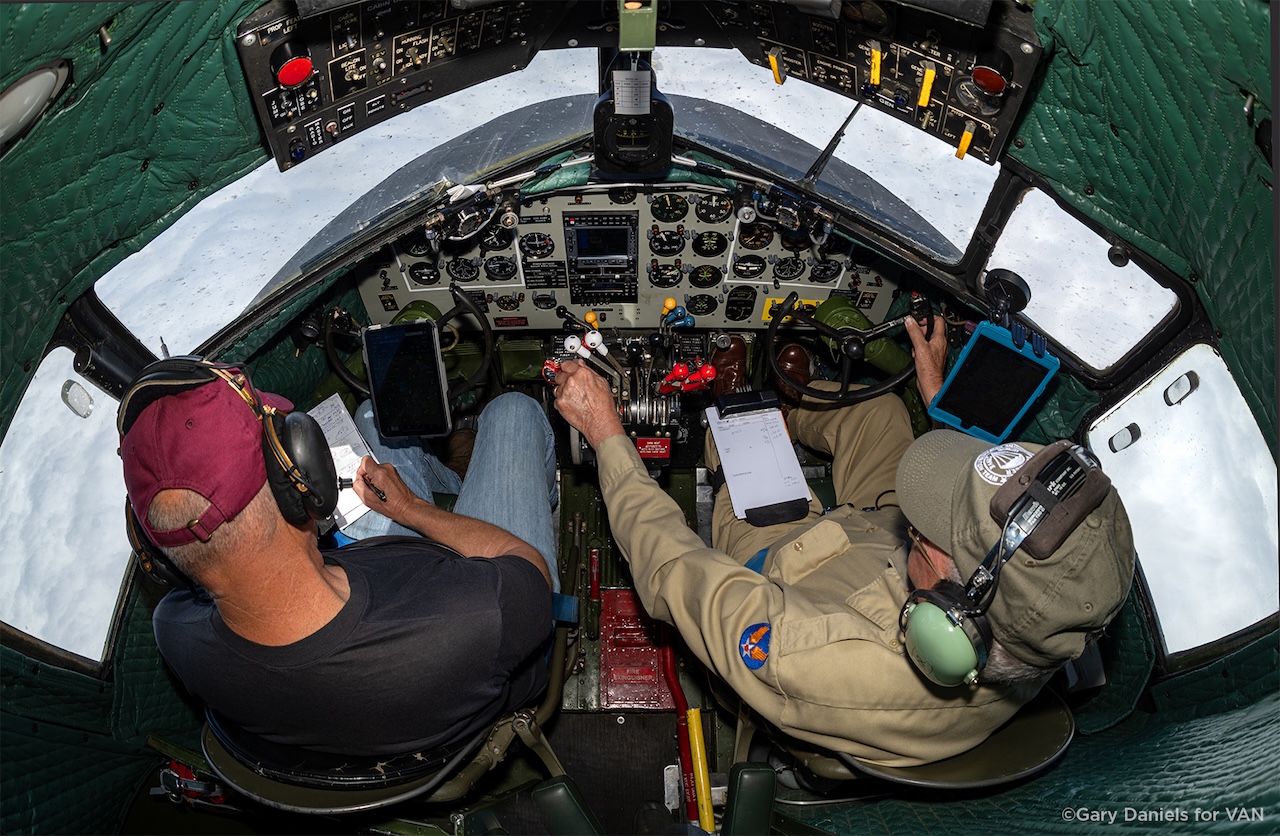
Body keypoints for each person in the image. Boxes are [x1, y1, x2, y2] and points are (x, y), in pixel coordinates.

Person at [552, 317, 1135, 767]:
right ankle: (787, 400)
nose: (916, 522)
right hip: (874, 548)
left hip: (796, 557)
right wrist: (944, 408)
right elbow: (998, 539)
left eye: (927, 530)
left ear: (948, 619)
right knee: (877, 412)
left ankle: (732, 413)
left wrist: (606, 433)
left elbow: (671, 568)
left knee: (746, 454)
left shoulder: (808, 657)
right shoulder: (1043, 618)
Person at [122, 375, 558, 757]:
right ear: (305, 486)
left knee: (375, 417)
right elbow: (529, 570)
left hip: (376, 625)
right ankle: (473, 475)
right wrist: (412, 510)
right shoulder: (477, 615)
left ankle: (458, 476)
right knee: (512, 411)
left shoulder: (175, 629)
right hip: (468, 637)